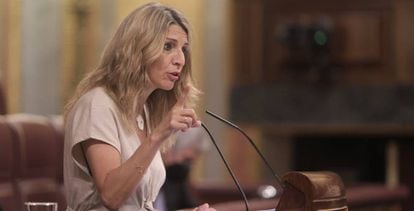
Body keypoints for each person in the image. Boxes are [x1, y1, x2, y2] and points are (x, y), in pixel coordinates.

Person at [63, 3, 215, 211]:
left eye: (183, 49)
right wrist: (160, 133)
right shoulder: (97, 105)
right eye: (168, 46)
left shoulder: (143, 112)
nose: (180, 60)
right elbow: (111, 197)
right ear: (138, 48)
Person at [155, 127, 210, 211]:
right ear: (168, 149)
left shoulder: (177, 181)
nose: (188, 167)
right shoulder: (147, 177)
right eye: (187, 160)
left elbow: (191, 205)